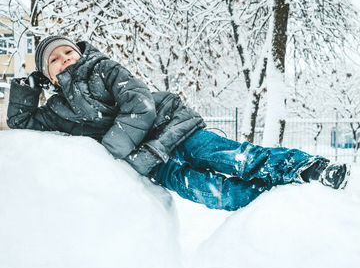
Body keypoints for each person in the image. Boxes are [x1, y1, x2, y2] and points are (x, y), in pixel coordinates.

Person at [7, 35, 349, 211]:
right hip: (153, 164)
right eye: (54, 59)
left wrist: (115, 153)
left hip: (173, 130)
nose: (64, 59)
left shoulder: (103, 68)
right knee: (217, 195)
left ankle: (309, 168)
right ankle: (279, 206)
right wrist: (26, 87)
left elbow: (139, 104)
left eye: (67, 52)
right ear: (47, 74)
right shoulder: (59, 109)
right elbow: (22, 122)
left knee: (235, 158)